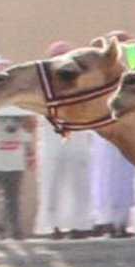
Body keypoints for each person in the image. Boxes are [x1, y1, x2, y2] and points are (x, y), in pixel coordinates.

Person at [32, 42, 93, 238]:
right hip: (52, 142)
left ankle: (80, 226)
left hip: (78, 141)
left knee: (79, 186)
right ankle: (52, 227)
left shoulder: (83, 82)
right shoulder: (40, 84)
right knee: (50, 187)